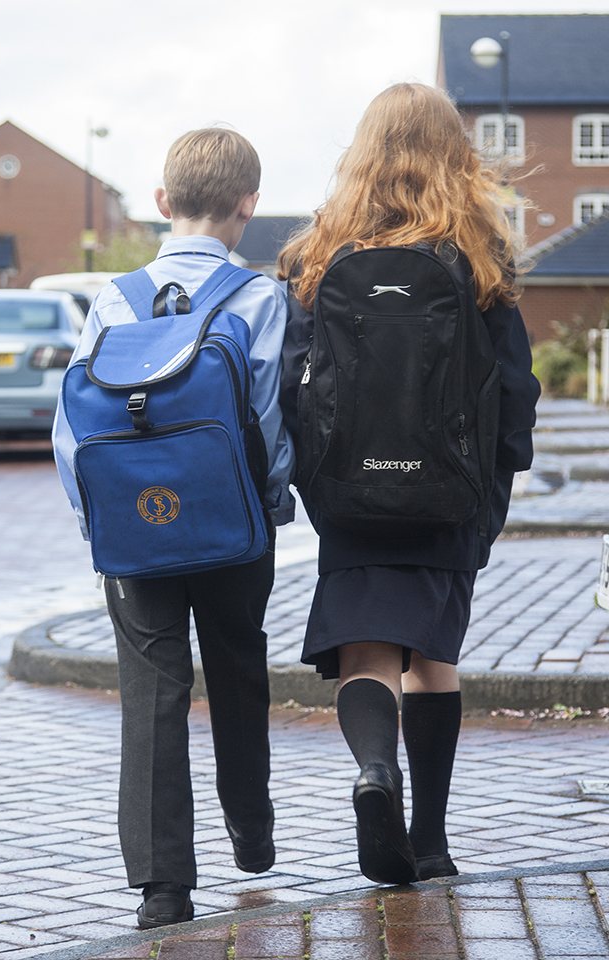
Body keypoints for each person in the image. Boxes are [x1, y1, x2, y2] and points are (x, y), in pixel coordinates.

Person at [278, 83, 540, 886]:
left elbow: (292, 383)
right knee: (433, 656)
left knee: (368, 650)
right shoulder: (480, 255)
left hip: (352, 493)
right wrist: (498, 484)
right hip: (449, 492)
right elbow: (516, 388)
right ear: (454, 151)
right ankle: (430, 842)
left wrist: (318, 484)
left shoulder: (318, 255)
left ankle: (372, 771)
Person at [53, 128, 295, 927]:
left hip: (135, 537)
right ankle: (251, 831)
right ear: (248, 206)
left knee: (152, 692)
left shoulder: (113, 299)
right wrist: (269, 498)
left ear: (162, 203)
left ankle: (163, 887)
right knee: (237, 671)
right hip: (235, 530)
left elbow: (72, 430)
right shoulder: (261, 298)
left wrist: (102, 523)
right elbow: (269, 420)